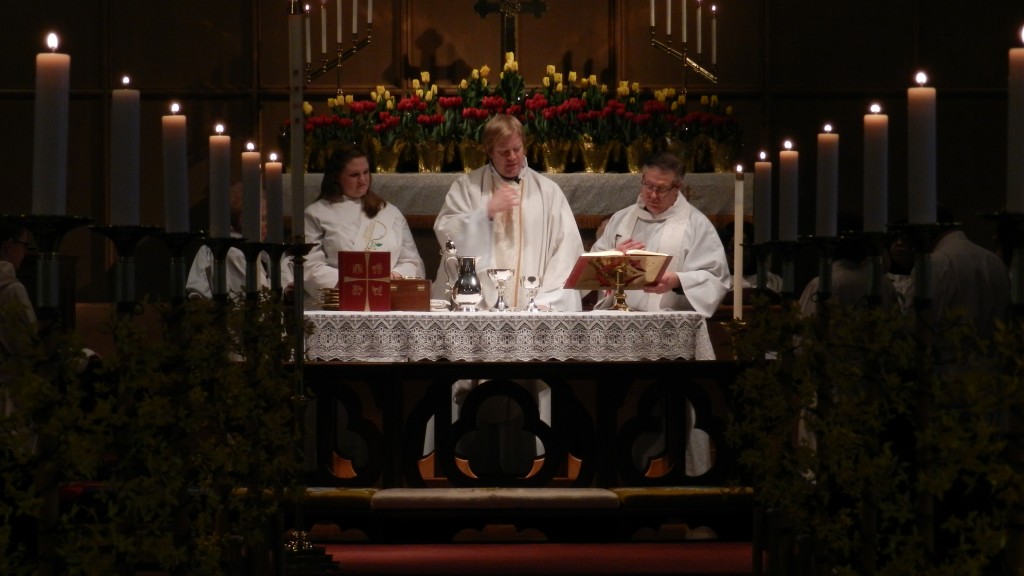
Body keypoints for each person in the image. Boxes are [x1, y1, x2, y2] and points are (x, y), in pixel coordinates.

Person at [431, 114, 584, 312]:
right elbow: (447, 233)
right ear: (489, 151)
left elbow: (567, 250)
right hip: (479, 308)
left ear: (524, 145)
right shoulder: (467, 188)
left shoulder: (548, 192)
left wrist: (547, 300)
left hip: (536, 308)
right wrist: (484, 214)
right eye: (503, 152)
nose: (512, 157)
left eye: (517, 149)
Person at [590, 150, 731, 317]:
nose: (653, 195)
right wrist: (613, 258)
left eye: (661, 189)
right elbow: (589, 268)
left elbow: (715, 277)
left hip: (672, 322)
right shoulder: (621, 220)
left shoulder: (697, 224)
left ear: (678, 187)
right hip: (621, 320)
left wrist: (677, 280)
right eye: (648, 186)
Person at [304, 145, 425, 307]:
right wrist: (354, 282)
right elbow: (310, 266)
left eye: (366, 172)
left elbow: (411, 261)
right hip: (338, 302)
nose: (362, 180)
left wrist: (393, 276)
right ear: (336, 177)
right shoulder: (316, 214)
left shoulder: (389, 213)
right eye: (354, 175)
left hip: (387, 300)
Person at [186, 184, 291, 300]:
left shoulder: (252, 244)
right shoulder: (233, 251)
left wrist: (286, 288)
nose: (268, 225)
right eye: (263, 219)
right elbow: (255, 298)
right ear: (243, 219)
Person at [717, 219, 783, 296]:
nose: (737, 254)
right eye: (731, 249)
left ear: (753, 250)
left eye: (743, 249)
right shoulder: (718, 281)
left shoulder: (772, 281)